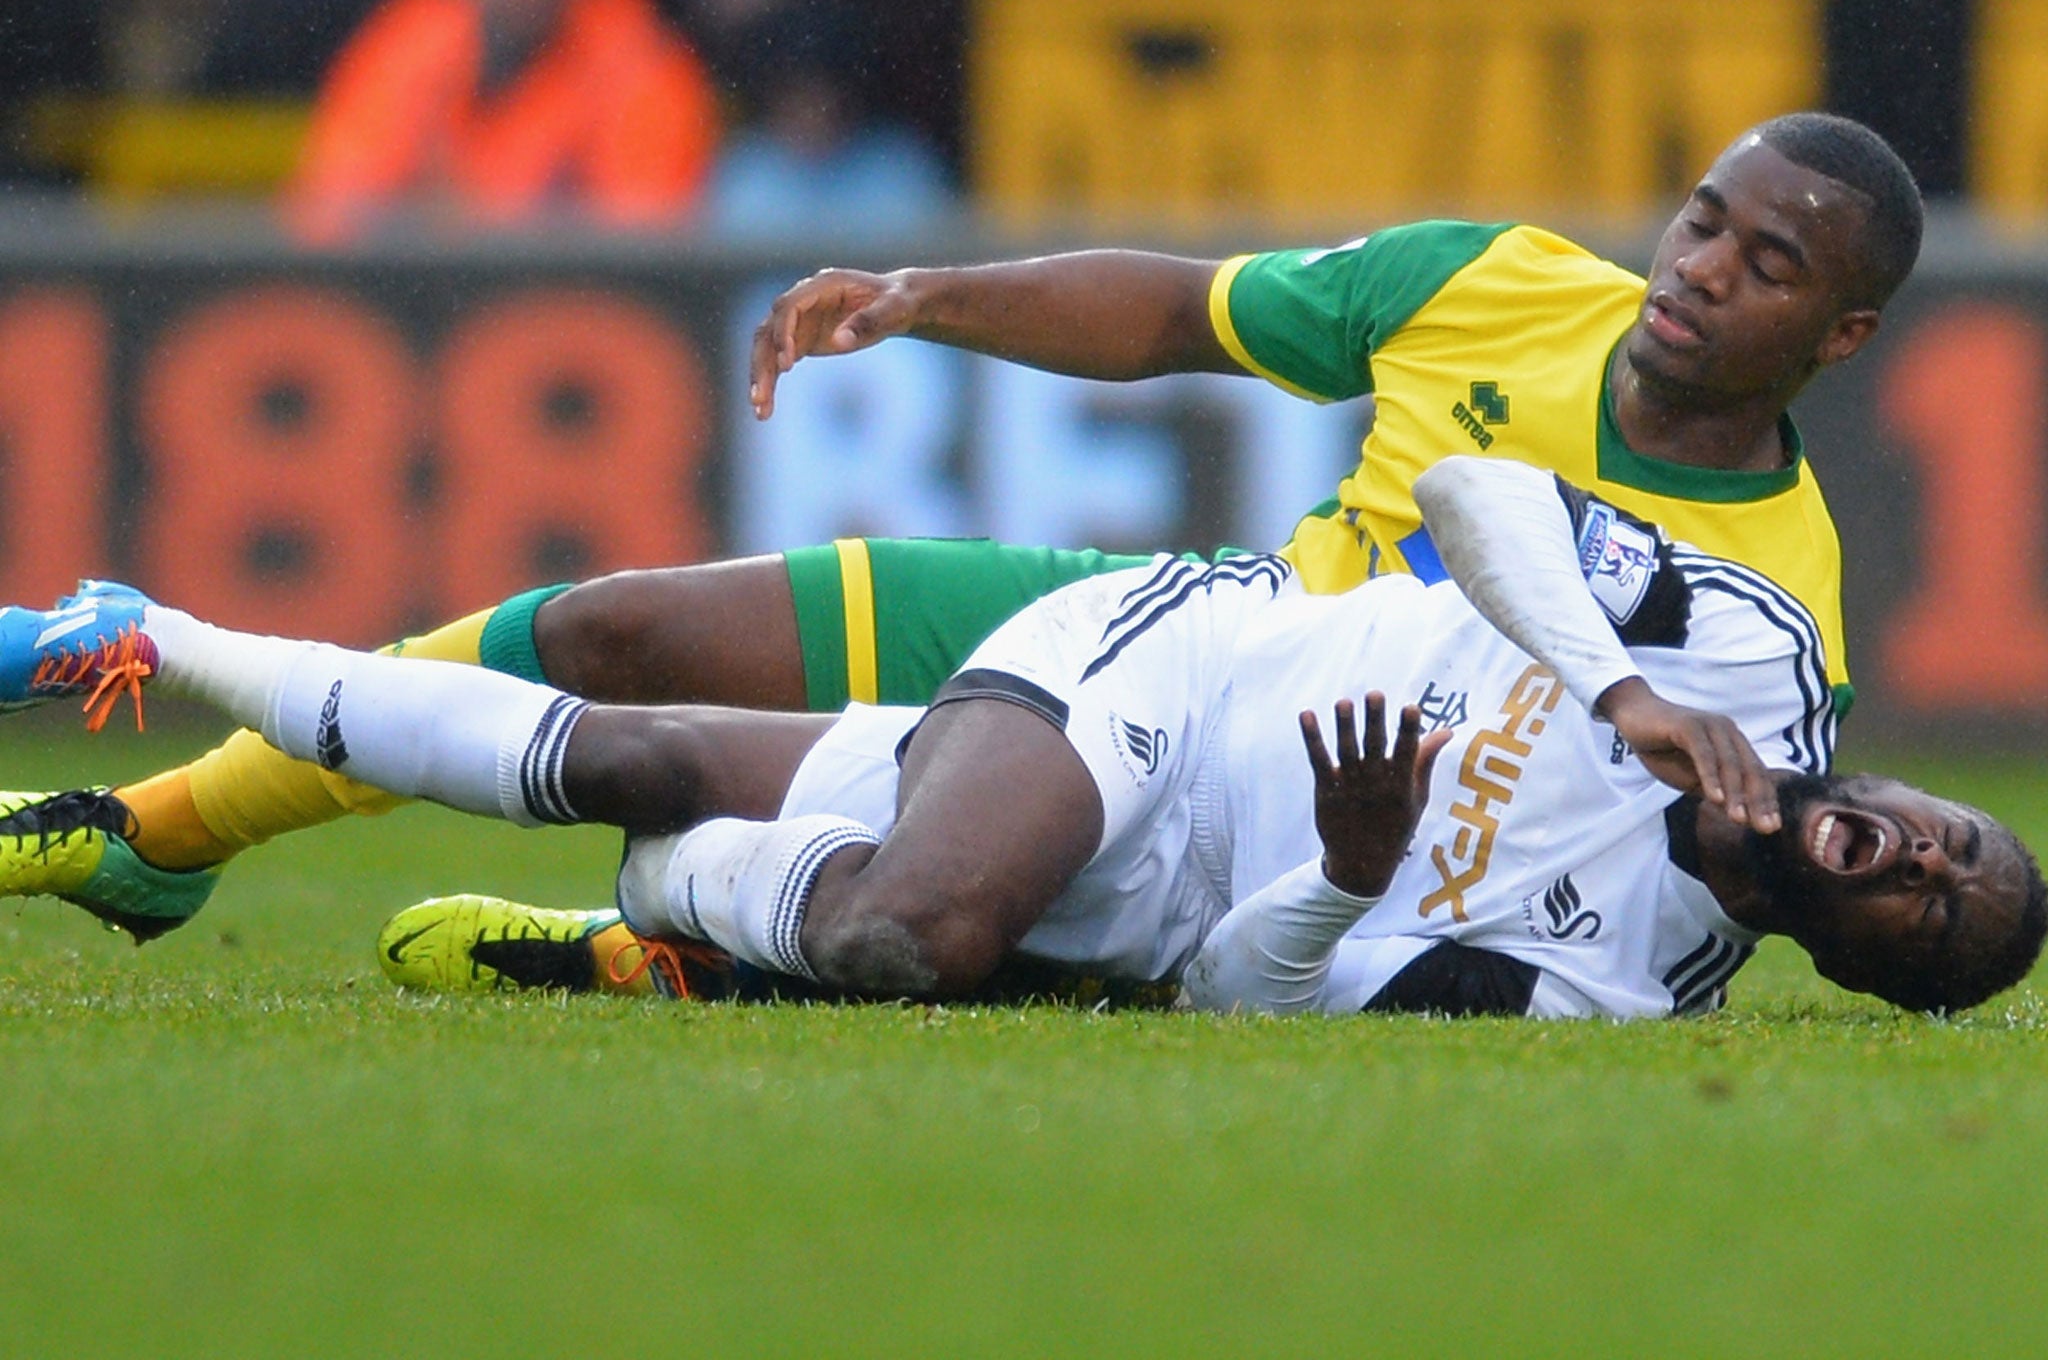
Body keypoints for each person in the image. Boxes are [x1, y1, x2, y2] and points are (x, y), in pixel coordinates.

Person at [0, 113, 1922, 961]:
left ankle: (665, 934)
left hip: (1245, 821)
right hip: (1164, 626)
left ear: (1836, 338)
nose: (1697, 275)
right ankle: (160, 838)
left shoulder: (1781, 603)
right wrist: (927, 293)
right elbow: (1180, 313)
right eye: (1700, 220)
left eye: (1766, 268)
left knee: (892, 894)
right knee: (612, 632)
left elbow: (1700, 862)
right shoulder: (1497, 286)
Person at [3, 459, 2037, 1018]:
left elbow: (1246, 1007)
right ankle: (154, 644)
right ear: (1906, 791)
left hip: (1154, 891)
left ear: (1861, 967)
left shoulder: (1603, 990)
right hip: (1172, 666)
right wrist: (1620, 684)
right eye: (1954, 837)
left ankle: (672, 922)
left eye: (1932, 916)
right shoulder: (1754, 657)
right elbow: (1473, 508)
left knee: (632, 757)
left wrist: (1339, 870)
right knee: (927, 931)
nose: (1927, 861)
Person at [286, 0, 721, 242]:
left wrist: (474, 220)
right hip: (426, 301)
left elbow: (646, 234)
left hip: (581, 308)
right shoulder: (415, 36)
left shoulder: (634, 52)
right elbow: (332, 206)